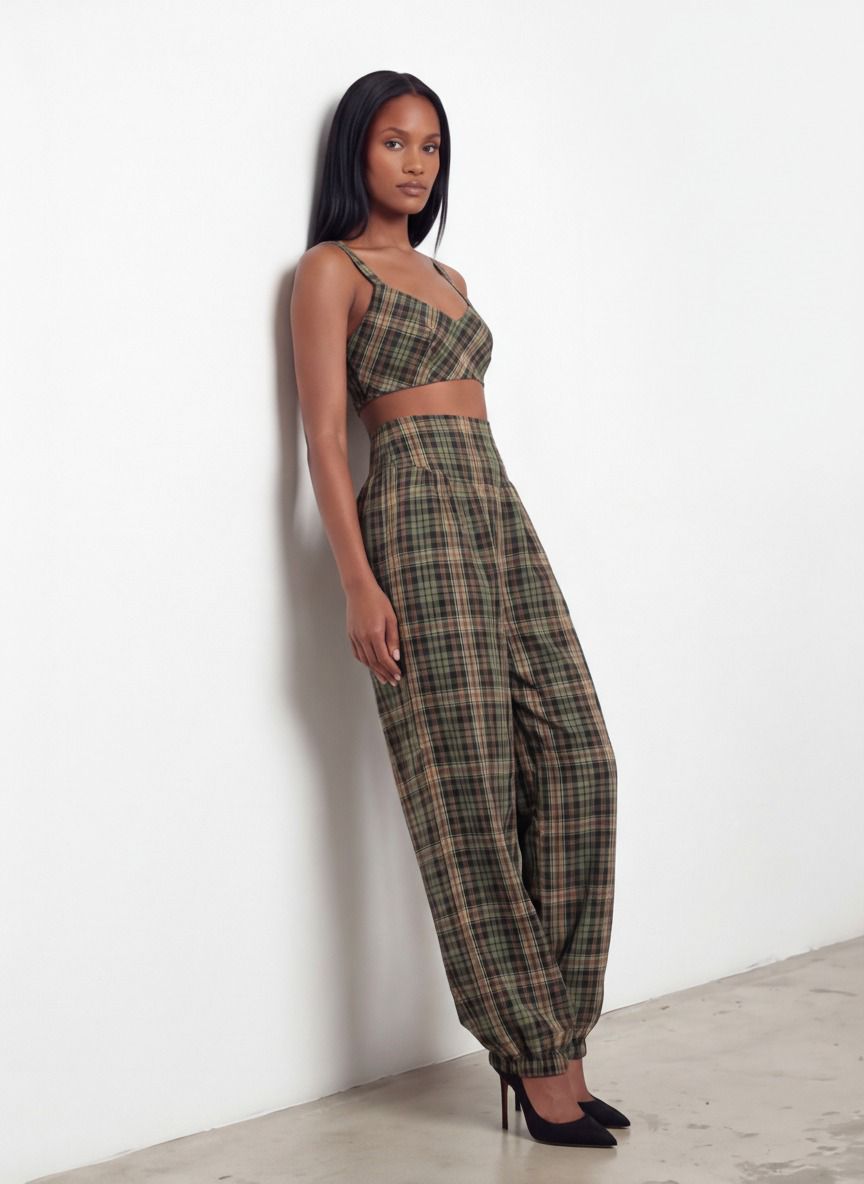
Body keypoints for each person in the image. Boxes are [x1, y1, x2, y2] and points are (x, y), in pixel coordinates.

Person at [290, 70, 627, 1149]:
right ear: (357, 150)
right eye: (395, 141)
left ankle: (561, 1038)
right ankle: (536, 1061)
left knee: (580, 759)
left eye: (431, 145)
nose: (416, 162)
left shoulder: (447, 275)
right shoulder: (330, 270)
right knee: (468, 783)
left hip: (495, 502)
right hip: (415, 510)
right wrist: (357, 580)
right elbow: (324, 437)